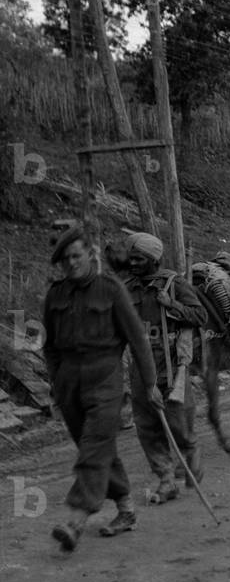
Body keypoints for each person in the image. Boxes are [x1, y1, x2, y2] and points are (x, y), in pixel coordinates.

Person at [43, 224, 163, 550]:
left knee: (94, 446)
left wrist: (151, 384)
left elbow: (138, 340)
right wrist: (56, 384)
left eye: (76, 256)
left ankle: (76, 519)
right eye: (65, 259)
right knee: (98, 447)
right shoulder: (56, 295)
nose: (71, 264)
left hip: (104, 379)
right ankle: (125, 508)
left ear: (90, 255)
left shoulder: (110, 290)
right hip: (69, 382)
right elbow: (50, 346)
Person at [121, 232, 207, 503]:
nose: (132, 263)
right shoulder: (126, 288)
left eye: (138, 259)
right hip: (140, 366)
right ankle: (166, 480)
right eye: (130, 258)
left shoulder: (174, 283)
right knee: (146, 426)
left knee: (178, 421)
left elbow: (200, 316)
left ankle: (190, 453)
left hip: (170, 365)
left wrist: (172, 306)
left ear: (153, 260)